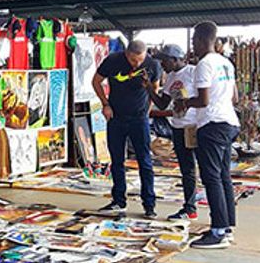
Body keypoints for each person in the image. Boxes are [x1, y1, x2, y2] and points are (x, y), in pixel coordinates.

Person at [178, 21, 240, 249]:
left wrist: (185, 102)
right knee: (223, 176)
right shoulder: (226, 63)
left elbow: (203, 101)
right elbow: (234, 98)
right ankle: (226, 227)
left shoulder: (204, 64)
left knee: (211, 177)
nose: (193, 45)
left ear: (203, 40)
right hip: (229, 122)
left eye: (194, 40)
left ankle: (217, 231)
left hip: (212, 125)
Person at [92, 40, 161, 218]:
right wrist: (105, 104)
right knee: (116, 160)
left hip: (139, 118)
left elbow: (155, 88)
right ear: (126, 54)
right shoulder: (113, 60)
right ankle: (118, 200)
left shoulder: (153, 64)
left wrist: (147, 109)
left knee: (144, 161)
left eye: (139, 60)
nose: (136, 64)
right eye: (132, 60)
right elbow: (96, 81)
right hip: (116, 117)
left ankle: (149, 204)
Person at [144, 44, 199, 221]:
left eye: (164, 60)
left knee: (203, 169)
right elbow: (162, 103)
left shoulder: (193, 72)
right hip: (178, 126)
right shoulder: (171, 77)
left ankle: (212, 210)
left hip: (193, 126)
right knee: (187, 169)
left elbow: (206, 96)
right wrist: (149, 88)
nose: (162, 65)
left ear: (175, 59)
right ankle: (190, 207)